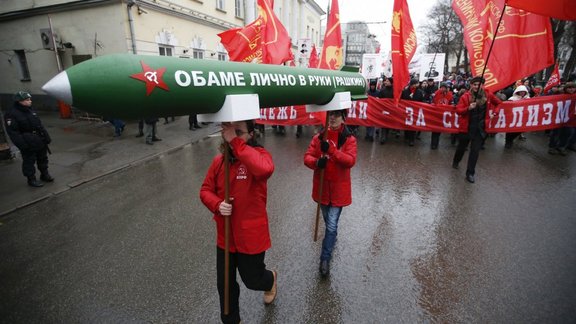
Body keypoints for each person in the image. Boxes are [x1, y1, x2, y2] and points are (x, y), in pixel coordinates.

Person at [199, 120, 276, 324]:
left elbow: (264, 170)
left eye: (238, 132)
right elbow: (205, 190)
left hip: (250, 236)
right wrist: (217, 204)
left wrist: (236, 143)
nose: (230, 136)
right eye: (228, 131)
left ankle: (270, 279)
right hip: (225, 236)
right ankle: (232, 320)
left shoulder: (259, 156)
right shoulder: (219, 161)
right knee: (224, 285)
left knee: (253, 280)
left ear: (251, 134)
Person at [304, 109, 357, 276]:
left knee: (332, 223)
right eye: (330, 115)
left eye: (336, 115)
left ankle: (324, 259)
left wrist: (333, 151)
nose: (332, 118)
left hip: (338, 191)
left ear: (343, 118)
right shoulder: (318, 138)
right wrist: (317, 162)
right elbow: (307, 157)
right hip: (322, 190)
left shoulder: (349, 139)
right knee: (329, 223)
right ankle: (331, 237)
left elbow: (350, 161)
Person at [452, 76, 502, 183]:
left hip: (480, 128)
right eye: (474, 84)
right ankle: (456, 161)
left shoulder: (488, 95)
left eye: (479, 85)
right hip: (467, 128)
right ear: (471, 85)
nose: (476, 86)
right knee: (461, 147)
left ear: (482, 85)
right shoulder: (465, 96)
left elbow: (499, 103)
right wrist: (468, 108)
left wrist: (494, 113)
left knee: (475, 151)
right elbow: (458, 110)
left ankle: (470, 173)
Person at [4, 91, 54, 187]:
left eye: (30, 99)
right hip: (27, 142)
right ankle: (31, 179)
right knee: (29, 161)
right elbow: (13, 133)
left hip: (39, 140)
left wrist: (46, 137)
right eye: (27, 100)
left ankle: (45, 174)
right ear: (20, 101)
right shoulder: (11, 114)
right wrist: (23, 145)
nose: (30, 101)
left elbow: (39, 125)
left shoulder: (30, 110)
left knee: (43, 158)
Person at [401, 79, 425, 146]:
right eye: (415, 84)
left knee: (413, 126)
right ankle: (406, 137)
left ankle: (412, 140)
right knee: (406, 124)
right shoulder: (405, 92)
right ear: (412, 84)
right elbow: (402, 100)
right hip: (407, 111)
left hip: (415, 111)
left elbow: (422, 101)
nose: (417, 85)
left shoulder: (419, 92)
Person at [431, 82, 454, 149]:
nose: (442, 89)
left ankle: (436, 143)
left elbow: (451, 103)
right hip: (436, 114)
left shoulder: (450, 95)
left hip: (444, 115)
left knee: (439, 130)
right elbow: (433, 101)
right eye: (441, 87)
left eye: (444, 87)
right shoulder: (436, 93)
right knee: (434, 130)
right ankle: (433, 144)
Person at [378, 77, 394, 144]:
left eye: (387, 81)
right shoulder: (382, 90)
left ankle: (386, 135)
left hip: (391, 109)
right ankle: (383, 137)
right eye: (386, 81)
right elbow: (379, 98)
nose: (386, 82)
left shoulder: (394, 90)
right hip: (384, 109)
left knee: (388, 123)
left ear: (391, 82)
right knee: (383, 123)